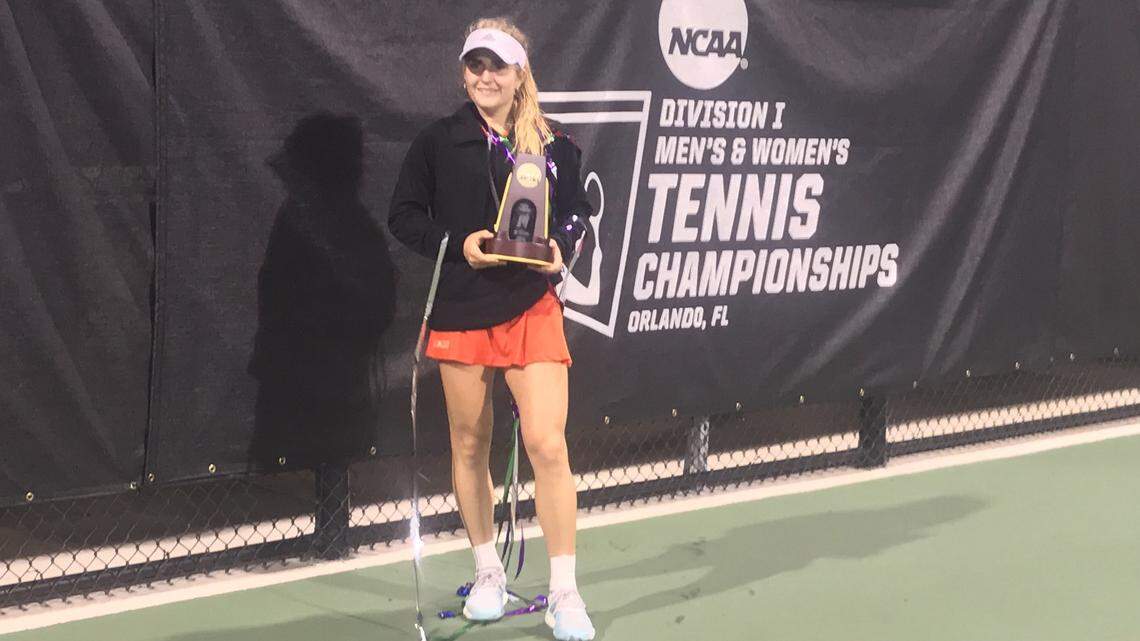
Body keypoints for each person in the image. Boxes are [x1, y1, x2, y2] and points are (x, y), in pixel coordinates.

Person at [388, 16, 596, 641]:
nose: (483, 76)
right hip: (462, 309)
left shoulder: (553, 143)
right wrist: (460, 244)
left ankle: (565, 593)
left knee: (548, 445)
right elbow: (404, 216)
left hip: (532, 306)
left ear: (518, 74)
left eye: (496, 66)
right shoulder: (438, 140)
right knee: (469, 446)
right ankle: (487, 574)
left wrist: (562, 245)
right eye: (474, 65)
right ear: (464, 72)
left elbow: (580, 212)